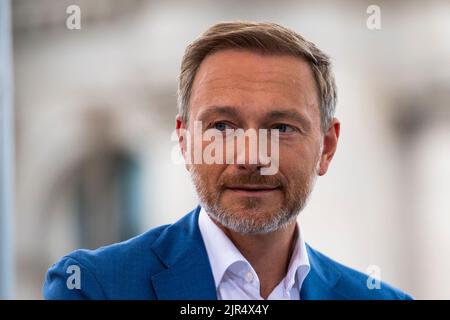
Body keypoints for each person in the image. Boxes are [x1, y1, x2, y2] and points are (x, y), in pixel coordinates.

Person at [43, 21, 412, 300]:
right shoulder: (93, 288)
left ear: (327, 147)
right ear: (185, 142)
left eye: (281, 128)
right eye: (222, 127)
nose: (251, 157)